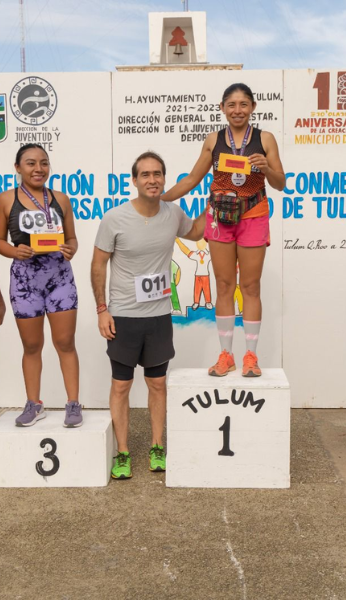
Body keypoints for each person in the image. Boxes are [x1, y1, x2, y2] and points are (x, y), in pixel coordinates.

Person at [91, 151, 206, 479]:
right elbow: (98, 265)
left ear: (164, 179)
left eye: (157, 174)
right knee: (121, 387)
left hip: (158, 316)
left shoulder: (172, 213)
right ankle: (123, 453)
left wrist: (217, 199)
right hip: (124, 316)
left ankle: (158, 447)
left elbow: (196, 232)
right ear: (135, 180)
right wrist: (102, 309)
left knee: (157, 384)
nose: (152, 180)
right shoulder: (114, 218)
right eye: (145, 175)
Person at [161, 83, 286, 378]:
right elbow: (192, 178)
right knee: (224, 285)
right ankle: (226, 354)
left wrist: (266, 168)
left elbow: (280, 182)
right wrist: (159, 200)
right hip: (220, 216)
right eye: (232, 104)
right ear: (222, 108)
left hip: (254, 213)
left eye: (244, 104)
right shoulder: (214, 139)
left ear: (253, 107)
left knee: (251, 287)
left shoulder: (265, 139)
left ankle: (251, 356)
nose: (238, 110)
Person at [0, 144, 81, 428]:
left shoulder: (60, 198)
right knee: (32, 345)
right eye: (31, 163)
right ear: (18, 167)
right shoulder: (6, 199)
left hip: (59, 277)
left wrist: (70, 249)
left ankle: (73, 403)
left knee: (65, 343)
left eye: (44, 163)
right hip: (25, 280)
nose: (38, 169)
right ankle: (34, 403)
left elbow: (72, 240)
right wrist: (14, 251)